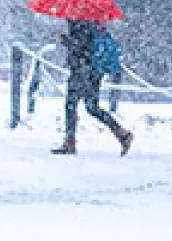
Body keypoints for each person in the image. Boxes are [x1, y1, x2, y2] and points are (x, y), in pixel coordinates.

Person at [52, 19, 133, 155]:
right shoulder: (91, 21)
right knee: (91, 107)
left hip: (83, 69)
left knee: (72, 104)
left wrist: (64, 40)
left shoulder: (80, 21)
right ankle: (121, 133)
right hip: (93, 70)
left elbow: (81, 46)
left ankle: (70, 142)